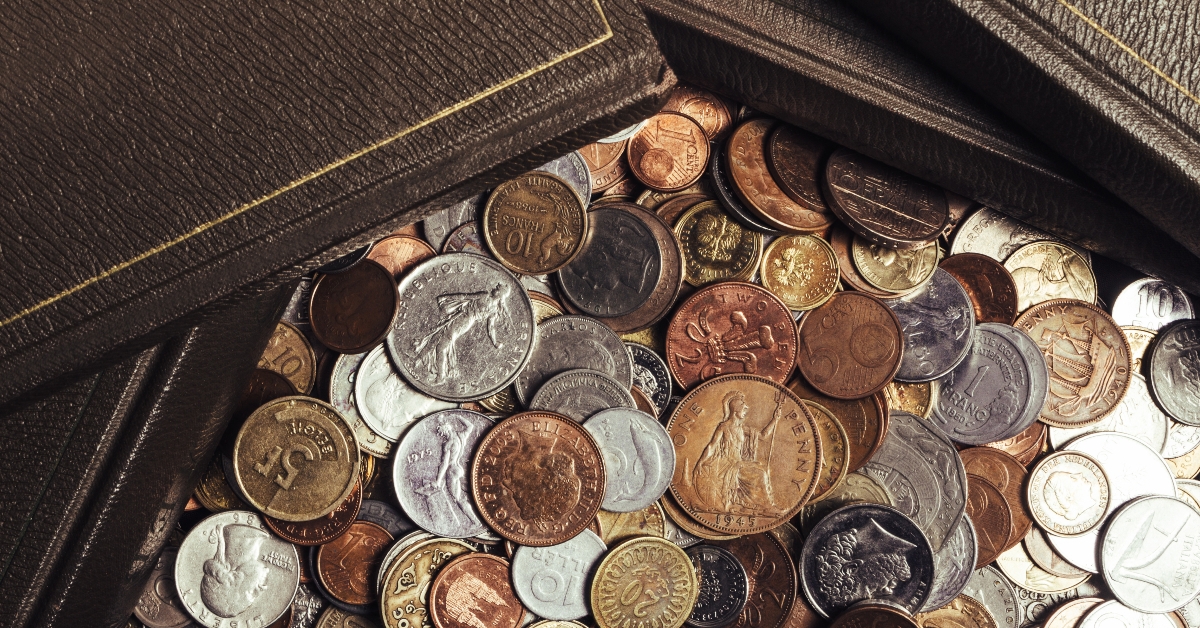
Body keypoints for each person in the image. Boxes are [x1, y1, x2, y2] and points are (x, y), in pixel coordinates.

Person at [691, 389, 782, 514]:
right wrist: (700, 462)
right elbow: (712, 446)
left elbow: (763, 435)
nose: (745, 412)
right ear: (736, 410)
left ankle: (758, 504)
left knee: (760, 467)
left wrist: (774, 419)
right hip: (727, 463)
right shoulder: (723, 427)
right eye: (743, 409)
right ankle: (767, 507)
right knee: (760, 473)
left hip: (738, 462)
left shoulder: (742, 428)